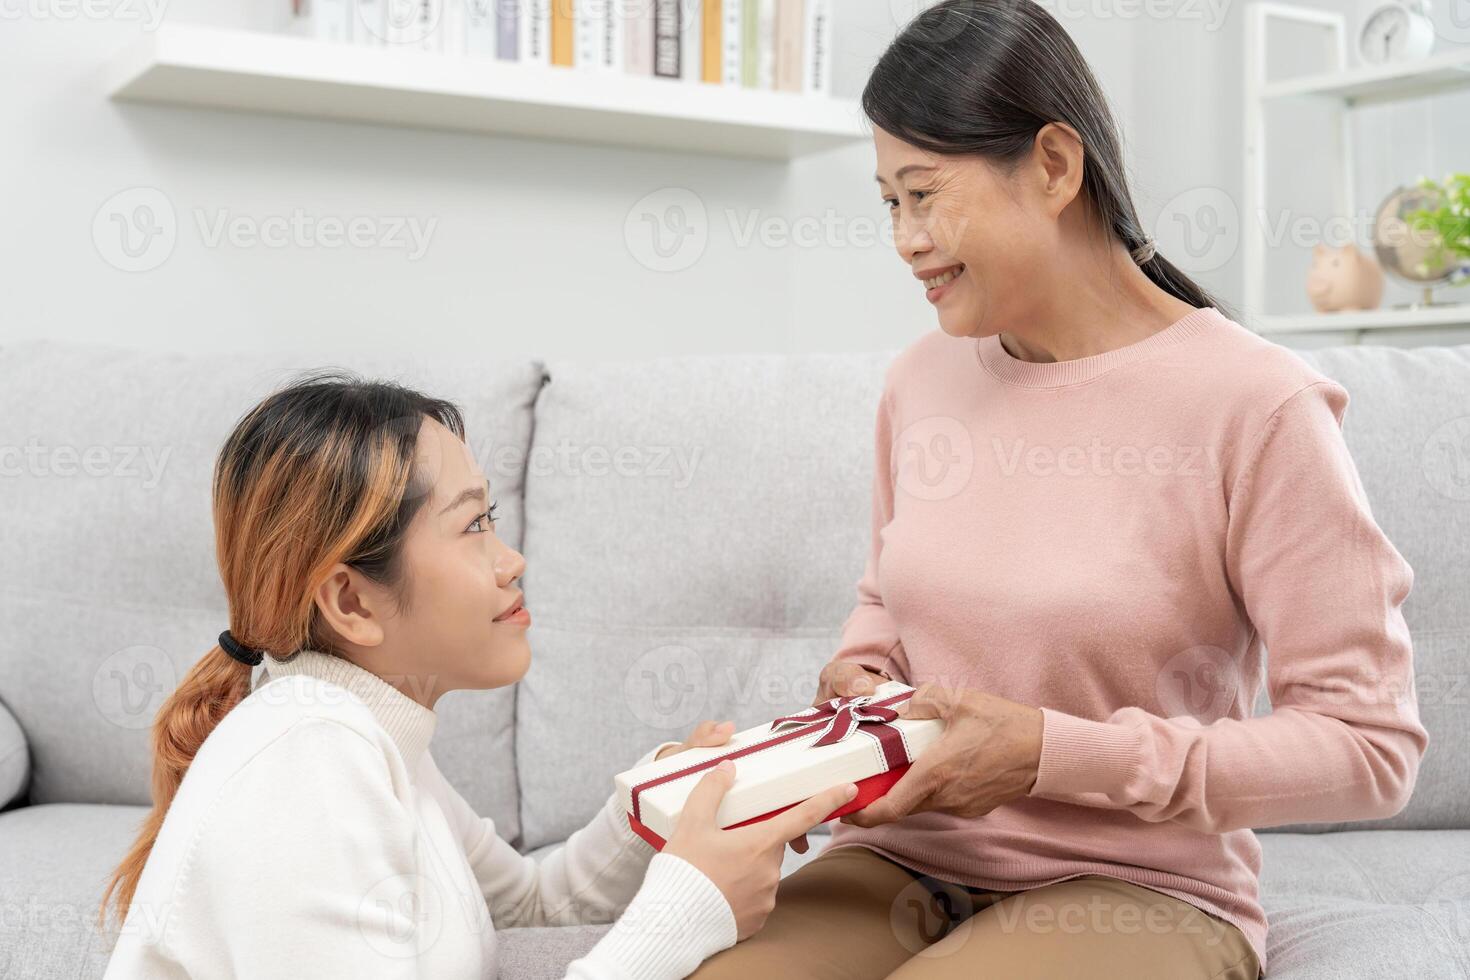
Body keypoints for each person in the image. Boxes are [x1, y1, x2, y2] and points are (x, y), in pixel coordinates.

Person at [691, 2, 1429, 978]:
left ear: (1053, 165)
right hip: (901, 857)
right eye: (889, 203)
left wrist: (1050, 751)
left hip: (1141, 886)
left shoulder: (1258, 405)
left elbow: (1368, 745)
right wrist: (860, 681)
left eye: (925, 193)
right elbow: (886, 597)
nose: (907, 240)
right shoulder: (923, 380)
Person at [97, 372, 855, 979]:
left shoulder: (372, 739)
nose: (511, 561)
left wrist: (652, 809)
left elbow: (530, 904)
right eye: (472, 526)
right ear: (352, 601)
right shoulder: (307, 759)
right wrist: (687, 910)